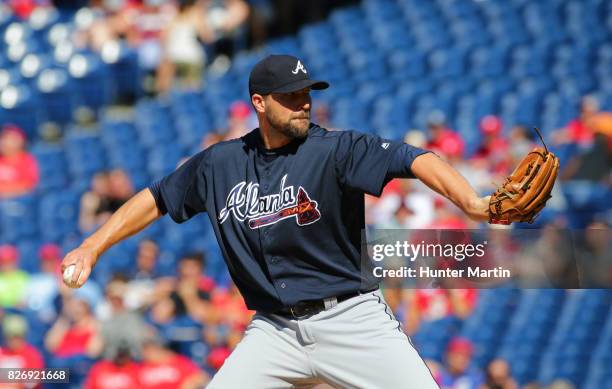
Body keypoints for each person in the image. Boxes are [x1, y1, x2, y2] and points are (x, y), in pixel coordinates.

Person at [62, 54, 490, 388]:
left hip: (351, 319)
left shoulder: (335, 150)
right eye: (290, 95)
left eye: (306, 92)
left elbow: (412, 158)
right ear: (260, 104)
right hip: (275, 330)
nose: (303, 102)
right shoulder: (221, 163)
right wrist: (92, 245)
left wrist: (469, 200)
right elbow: (156, 198)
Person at [0, 124, 39, 198]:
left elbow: (29, 185)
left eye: (10, 139)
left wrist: (6, 190)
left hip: (19, 200)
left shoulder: (27, 160)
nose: (5, 142)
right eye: (3, 138)